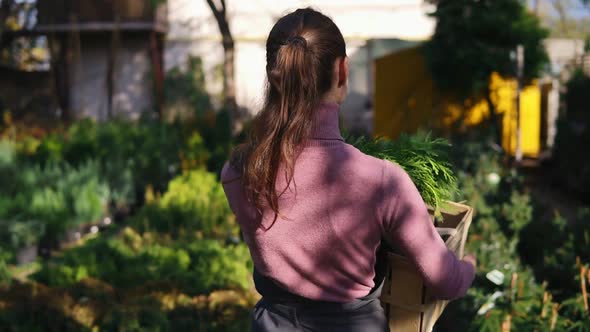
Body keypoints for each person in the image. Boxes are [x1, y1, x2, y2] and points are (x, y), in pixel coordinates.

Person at [220, 7, 476, 332]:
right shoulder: (383, 181)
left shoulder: (240, 171)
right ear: (342, 72)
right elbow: (446, 282)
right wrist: (469, 265)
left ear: (273, 76)